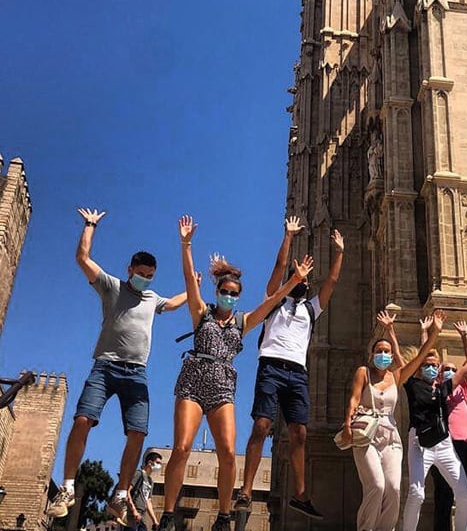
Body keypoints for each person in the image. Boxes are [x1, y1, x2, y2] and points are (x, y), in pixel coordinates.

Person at [159, 215, 314, 531]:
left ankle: (224, 515)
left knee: (228, 452)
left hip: (222, 387)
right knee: (182, 447)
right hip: (193, 381)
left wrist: (295, 281)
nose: (229, 296)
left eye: (234, 293)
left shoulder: (243, 322)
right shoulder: (201, 314)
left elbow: (271, 301)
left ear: (238, 296)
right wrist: (186, 244)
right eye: (225, 291)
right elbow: (190, 279)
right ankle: (167, 512)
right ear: (217, 290)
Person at [48, 208, 188, 523]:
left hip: (136, 373)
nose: (145, 279)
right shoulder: (112, 286)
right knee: (83, 419)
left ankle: (121, 495)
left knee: (138, 432)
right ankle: (68, 488)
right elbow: (83, 259)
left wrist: (192, 285)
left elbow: (177, 303)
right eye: (141, 274)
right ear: (130, 270)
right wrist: (89, 225)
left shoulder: (152, 299)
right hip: (106, 367)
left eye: (150, 276)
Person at [234, 216, 344, 519]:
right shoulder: (273, 304)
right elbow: (279, 269)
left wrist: (340, 252)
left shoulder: (310, 309)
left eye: (305, 280)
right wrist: (288, 237)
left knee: (300, 433)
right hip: (270, 366)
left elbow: (332, 282)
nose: (301, 281)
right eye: (297, 278)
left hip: (297, 372)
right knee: (262, 425)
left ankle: (300, 495)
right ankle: (245, 490)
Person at [340, 310, 435, 531]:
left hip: (391, 437)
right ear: (372, 354)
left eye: (387, 352)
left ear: (392, 356)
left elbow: (421, 356)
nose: (383, 355)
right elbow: (354, 399)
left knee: (393, 488)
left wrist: (434, 332)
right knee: (376, 485)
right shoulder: (363, 372)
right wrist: (347, 424)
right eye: (379, 351)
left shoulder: (397, 376)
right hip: (365, 435)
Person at [402, 311, 467, 531]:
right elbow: (422, 358)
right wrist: (427, 332)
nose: (445, 371)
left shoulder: (443, 388)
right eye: (443, 369)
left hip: (447, 441)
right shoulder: (413, 384)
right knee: (420, 493)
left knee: (466, 492)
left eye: (450, 369)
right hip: (420, 441)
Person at [432, 321, 467, 531]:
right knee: (443, 494)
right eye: (447, 370)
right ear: (438, 374)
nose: (451, 372)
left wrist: (465, 336)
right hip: (443, 445)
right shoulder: (437, 391)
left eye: (454, 369)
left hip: (465, 444)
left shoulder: (464, 388)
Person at [125, 452, 162, 531]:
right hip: (132, 516)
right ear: (150, 462)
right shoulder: (139, 474)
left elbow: (148, 501)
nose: (159, 466)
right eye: (158, 463)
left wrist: (155, 520)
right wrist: (134, 510)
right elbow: (127, 491)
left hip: (142, 516)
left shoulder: (150, 481)